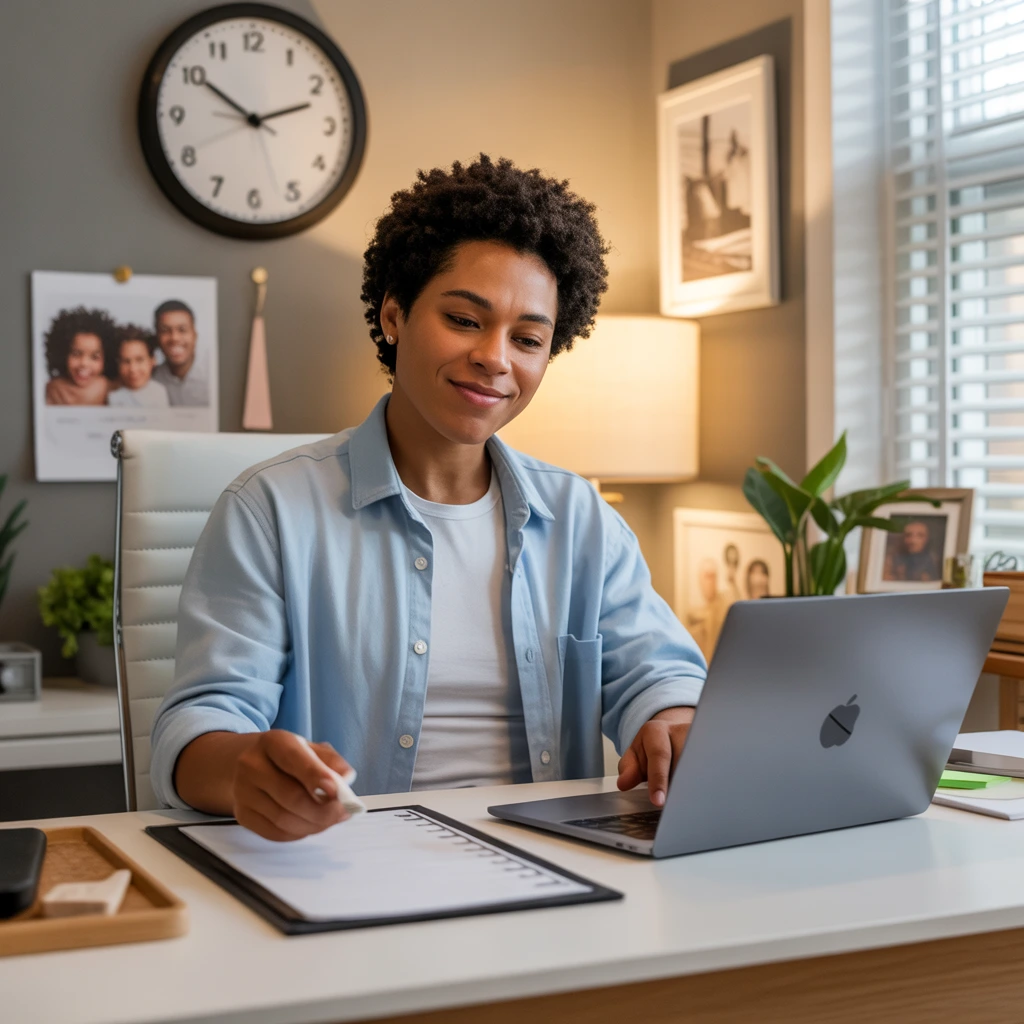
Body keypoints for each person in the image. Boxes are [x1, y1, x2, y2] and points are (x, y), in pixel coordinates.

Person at [150, 155, 707, 842]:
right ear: (393, 314)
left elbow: (661, 676)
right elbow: (197, 727)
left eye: (528, 339)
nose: (496, 358)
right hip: (345, 865)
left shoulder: (584, 522)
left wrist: (672, 721)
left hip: (545, 868)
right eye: (465, 320)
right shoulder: (269, 510)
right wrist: (242, 770)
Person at [43, 307, 116, 406]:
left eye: (94, 357)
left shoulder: (109, 388)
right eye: (76, 354)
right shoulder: (52, 389)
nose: (84, 363)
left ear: (106, 359)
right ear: (63, 354)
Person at [152, 300, 208, 406]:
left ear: (195, 335)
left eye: (182, 330)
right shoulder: (152, 379)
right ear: (157, 337)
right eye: (165, 330)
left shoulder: (213, 372)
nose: (174, 338)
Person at [106, 325, 170, 408]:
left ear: (152, 361)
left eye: (139, 360)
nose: (133, 369)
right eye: (126, 361)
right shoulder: (114, 398)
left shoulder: (160, 392)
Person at [686, 557, 734, 662]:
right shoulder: (694, 614)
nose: (711, 582)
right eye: (707, 577)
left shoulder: (723, 604)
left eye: (714, 576)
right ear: (700, 580)